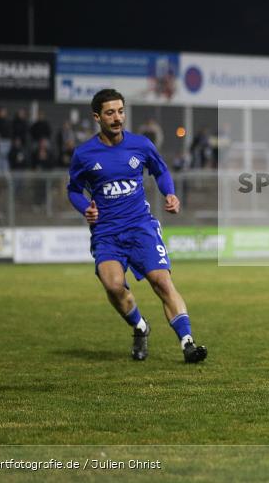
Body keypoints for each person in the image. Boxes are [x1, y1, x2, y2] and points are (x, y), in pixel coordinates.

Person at [67, 89, 208, 363]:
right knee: (113, 285)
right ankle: (140, 327)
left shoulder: (141, 145)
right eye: (110, 112)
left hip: (140, 227)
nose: (117, 117)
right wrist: (86, 208)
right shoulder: (84, 154)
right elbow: (73, 190)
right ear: (97, 117)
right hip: (107, 233)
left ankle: (187, 343)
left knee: (162, 282)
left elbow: (161, 170)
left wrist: (169, 192)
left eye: (120, 111)